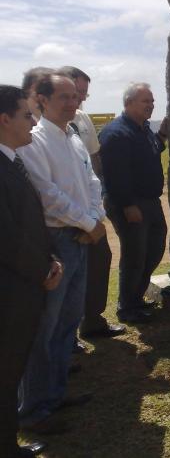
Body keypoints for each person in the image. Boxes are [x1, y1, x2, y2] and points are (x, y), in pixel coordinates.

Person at [18, 73, 106, 432]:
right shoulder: (34, 142)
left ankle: (54, 394)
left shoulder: (72, 137)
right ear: (40, 98)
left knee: (68, 323)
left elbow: (92, 181)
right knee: (45, 328)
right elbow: (47, 194)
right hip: (59, 240)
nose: (74, 103)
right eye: (64, 97)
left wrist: (96, 218)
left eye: (76, 97)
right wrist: (88, 223)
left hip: (82, 237)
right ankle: (33, 410)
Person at [0, 85, 62, 457]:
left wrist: (50, 256)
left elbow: (30, 222)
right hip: (10, 292)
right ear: (4, 120)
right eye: (27, 115)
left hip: (24, 284)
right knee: (6, 373)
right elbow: (6, 237)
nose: (33, 122)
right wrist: (42, 269)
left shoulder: (12, 161)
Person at [58, 66, 124, 339]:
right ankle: (66, 337)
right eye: (76, 93)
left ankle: (93, 321)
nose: (81, 100)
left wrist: (98, 205)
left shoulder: (82, 119)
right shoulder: (42, 123)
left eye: (84, 94)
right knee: (66, 275)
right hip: (63, 217)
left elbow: (94, 160)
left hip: (92, 211)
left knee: (100, 261)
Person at [99, 83, 168, 324]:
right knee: (134, 255)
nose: (150, 105)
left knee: (155, 248)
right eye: (145, 101)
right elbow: (115, 174)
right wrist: (128, 206)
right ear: (128, 104)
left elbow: (151, 150)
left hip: (150, 201)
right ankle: (127, 308)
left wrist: (161, 136)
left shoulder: (144, 129)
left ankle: (136, 298)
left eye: (152, 102)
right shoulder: (115, 133)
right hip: (130, 203)